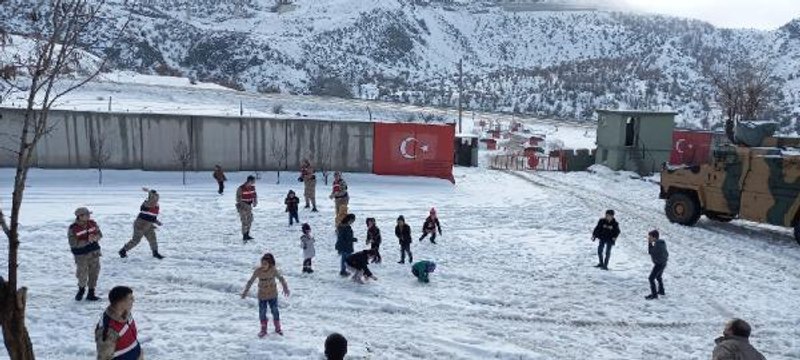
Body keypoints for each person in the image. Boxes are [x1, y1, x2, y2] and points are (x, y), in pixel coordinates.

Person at [241, 253, 290, 337]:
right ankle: (263, 329)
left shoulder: (273, 270)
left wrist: (285, 288)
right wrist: (245, 292)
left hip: (272, 294)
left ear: (269, 264)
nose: (263, 265)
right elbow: (250, 281)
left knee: (275, 310)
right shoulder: (258, 271)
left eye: (265, 264)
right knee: (262, 312)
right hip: (262, 295)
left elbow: (281, 279)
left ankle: (278, 328)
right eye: (262, 263)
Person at [95, 286, 143, 360]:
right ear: (120, 302)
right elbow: (104, 357)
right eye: (130, 298)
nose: (133, 300)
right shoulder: (108, 329)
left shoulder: (126, 314)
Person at [68, 207, 102, 301]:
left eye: (89, 214)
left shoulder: (93, 223)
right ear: (80, 216)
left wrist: (96, 237)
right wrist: (87, 240)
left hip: (94, 253)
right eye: (87, 215)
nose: (89, 216)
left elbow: (100, 234)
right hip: (81, 255)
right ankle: (81, 290)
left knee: (94, 273)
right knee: (82, 274)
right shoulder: (73, 228)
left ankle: (91, 293)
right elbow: (73, 243)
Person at [119, 188, 164, 259]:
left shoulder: (156, 205)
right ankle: (123, 251)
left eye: (156, 196)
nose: (157, 197)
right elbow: (147, 207)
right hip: (140, 224)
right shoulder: (147, 202)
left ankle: (155, 253)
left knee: (153, 239)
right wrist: (149, 192)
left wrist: (156, 221)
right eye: (154, 196)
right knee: (136, 240)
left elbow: (151, 215)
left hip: (149, 225)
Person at [645, 230, 668, 300]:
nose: (649, 238)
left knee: (651, 278)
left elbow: (651, 251)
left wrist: (649, 243)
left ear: (654, 237)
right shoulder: (661, 243)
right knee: (658, 276)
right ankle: (661, 291)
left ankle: (654, 295)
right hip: (663, 263)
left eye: (650, 237)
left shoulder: (658, 244)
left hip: (659, 264)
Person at [236, 175, 258, 242]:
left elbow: (254, 195)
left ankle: (247, 234)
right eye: (253, 180)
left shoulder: (252, 188)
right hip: (242, 206)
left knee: (250, 220)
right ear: (250, 181)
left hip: (249, 206)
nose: (254, 182)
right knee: (244, 221)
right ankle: (244, 235)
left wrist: (255, 201)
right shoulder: (241, 188)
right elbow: (238, 199)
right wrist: (244, 205)